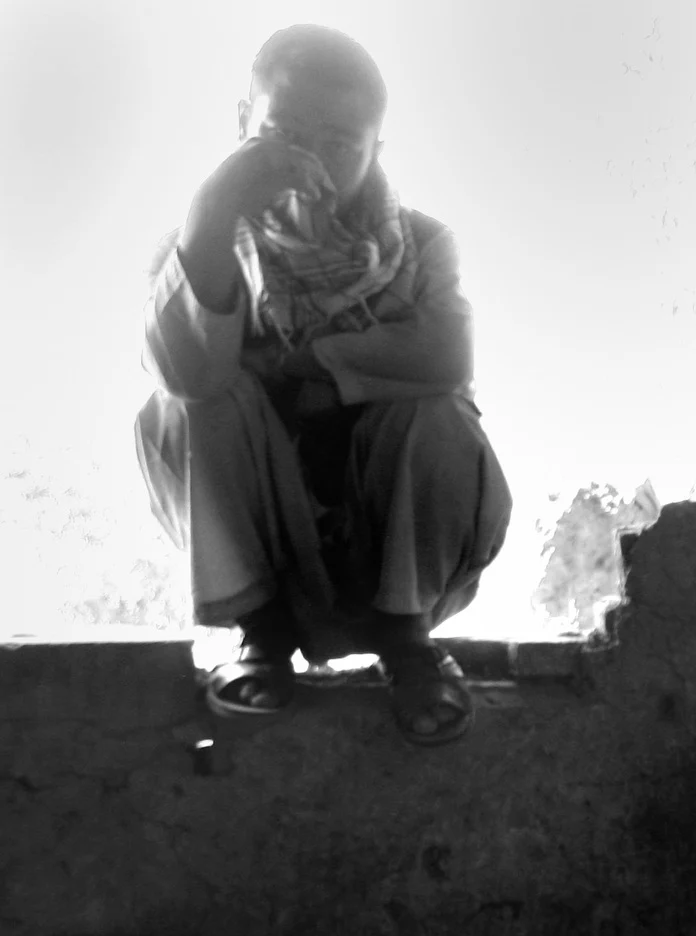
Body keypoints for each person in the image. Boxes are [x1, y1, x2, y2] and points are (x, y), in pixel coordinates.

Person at [136, 23, 509, 746]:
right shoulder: (199, 246)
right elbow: (189, 372)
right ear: (243, 124)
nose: (307, 158)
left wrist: (300, 365)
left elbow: (444, 355)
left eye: (341, 143)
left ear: (376, 152)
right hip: (266, 549)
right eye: (282, 132)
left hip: (390, 546)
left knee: (436, 414)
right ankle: (261, 639)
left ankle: (408, 647)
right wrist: (215, 205)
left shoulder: (423, 245)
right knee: (182, 406)